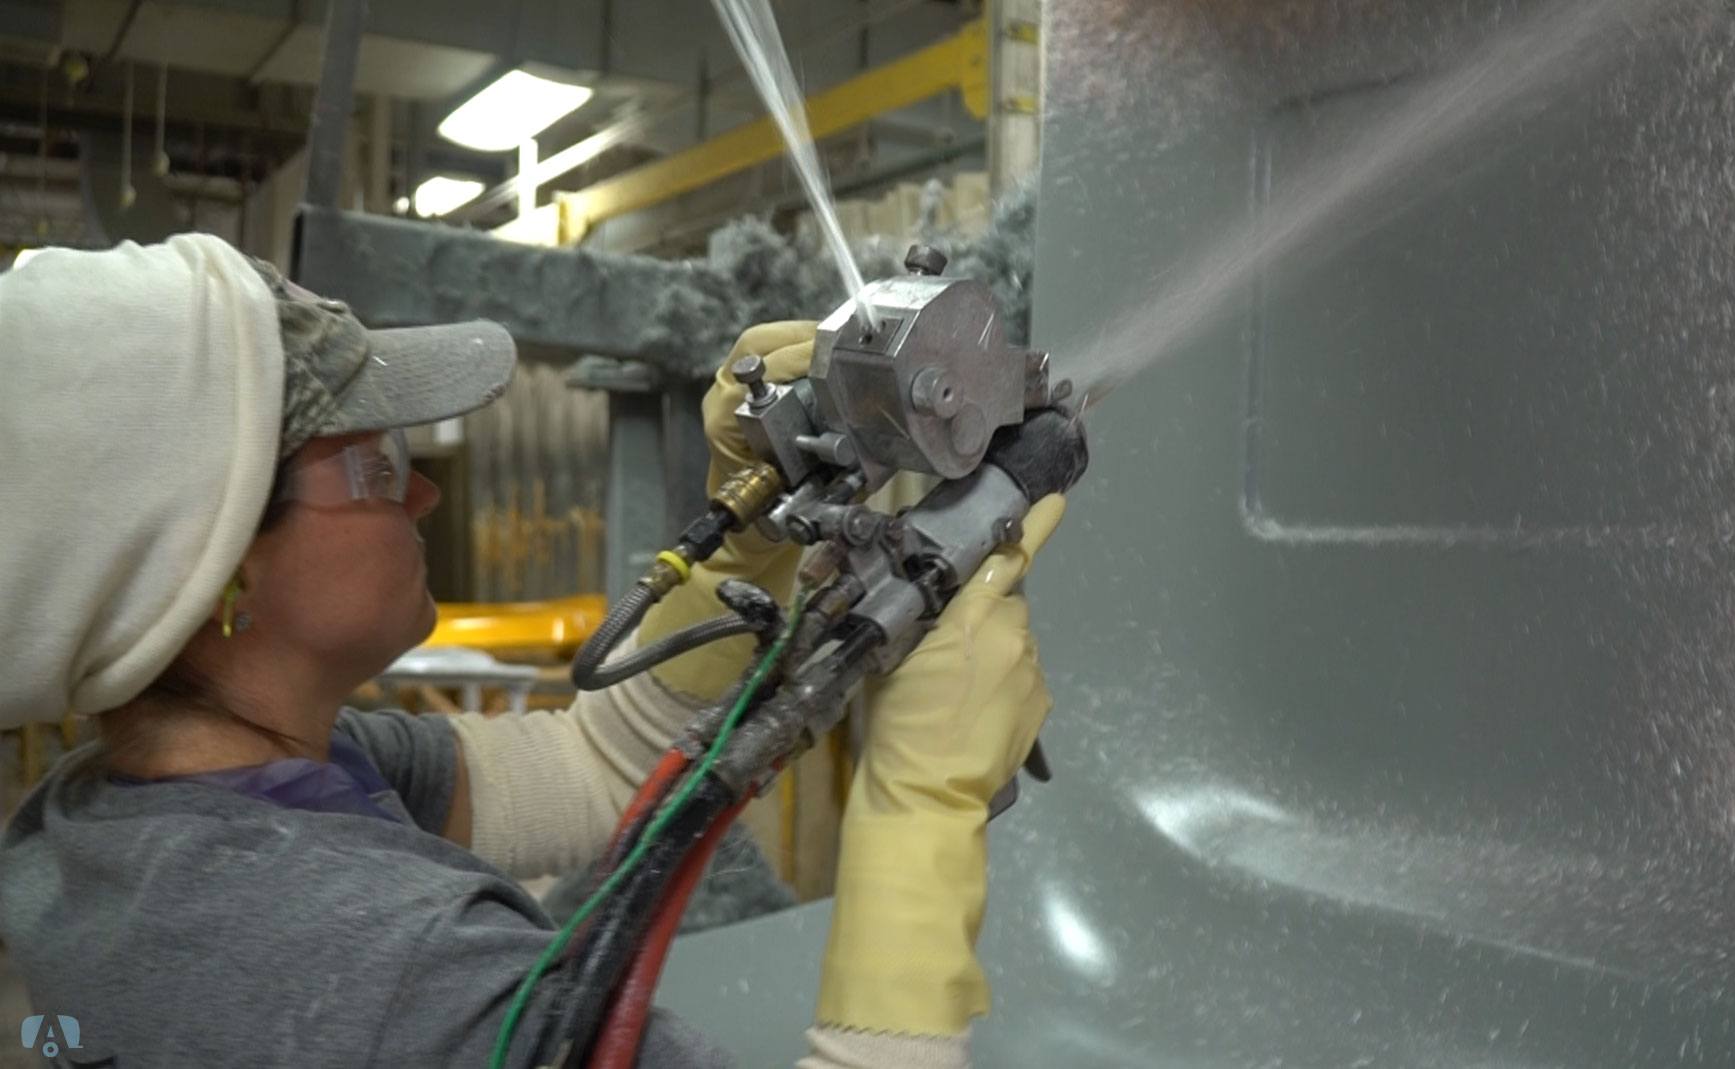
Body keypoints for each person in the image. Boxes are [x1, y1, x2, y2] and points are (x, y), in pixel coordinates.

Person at [0, 234, 1065, 1067]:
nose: (424, 494)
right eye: (375, 468)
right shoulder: (378, 974)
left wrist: (744, 545)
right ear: (216, 567)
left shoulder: (131, 809)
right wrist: (918, 817)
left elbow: (590, 771)